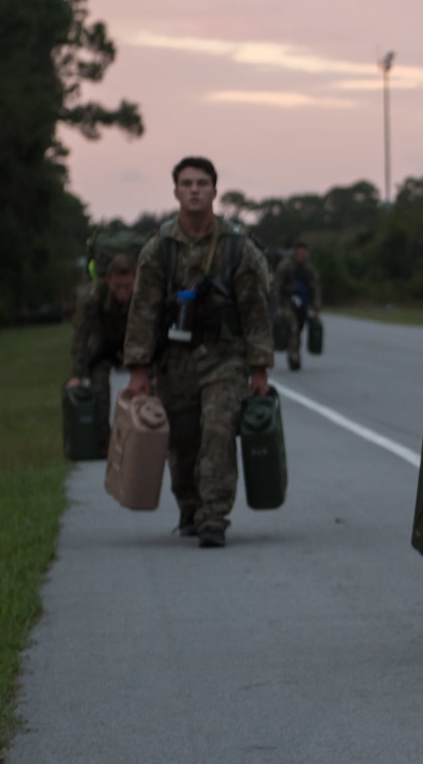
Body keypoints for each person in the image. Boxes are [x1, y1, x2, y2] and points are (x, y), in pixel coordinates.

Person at [123, 157, 277, 548]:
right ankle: (189, 507)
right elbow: (143, 309)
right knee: (182, 439)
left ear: (214, 190)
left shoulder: (235, 248)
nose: (194, 189)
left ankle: (214, 517)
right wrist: (138, 370)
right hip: (174, 361)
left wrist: (259, 369)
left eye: (202, 183)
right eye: (187, 183)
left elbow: (255, 311)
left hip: (224, 357)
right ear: (175, 191)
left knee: (218, 431)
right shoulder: (159, 249)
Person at [68, 253, 136, 406]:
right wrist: (76, 375)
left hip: (135, 351)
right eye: (117, 287)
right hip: (103, 350)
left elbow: (150, 334)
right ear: (108, 280)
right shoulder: (92, 298)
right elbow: (80, 335)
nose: (123, 293)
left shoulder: (143, 297)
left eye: (127, 287)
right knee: (99, 393)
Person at [271, 242, 320, 371]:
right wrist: (276, 306)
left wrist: (315, 308)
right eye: (298, 254)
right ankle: (294, 358)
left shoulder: (308, 269)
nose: (301, 257)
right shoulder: (285, 267)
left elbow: (315, 289)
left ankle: (294, 352)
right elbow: (276, 287)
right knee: (293, 326)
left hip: (302, 305)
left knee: (298, 329)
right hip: (286, 303)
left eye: (304, 254)